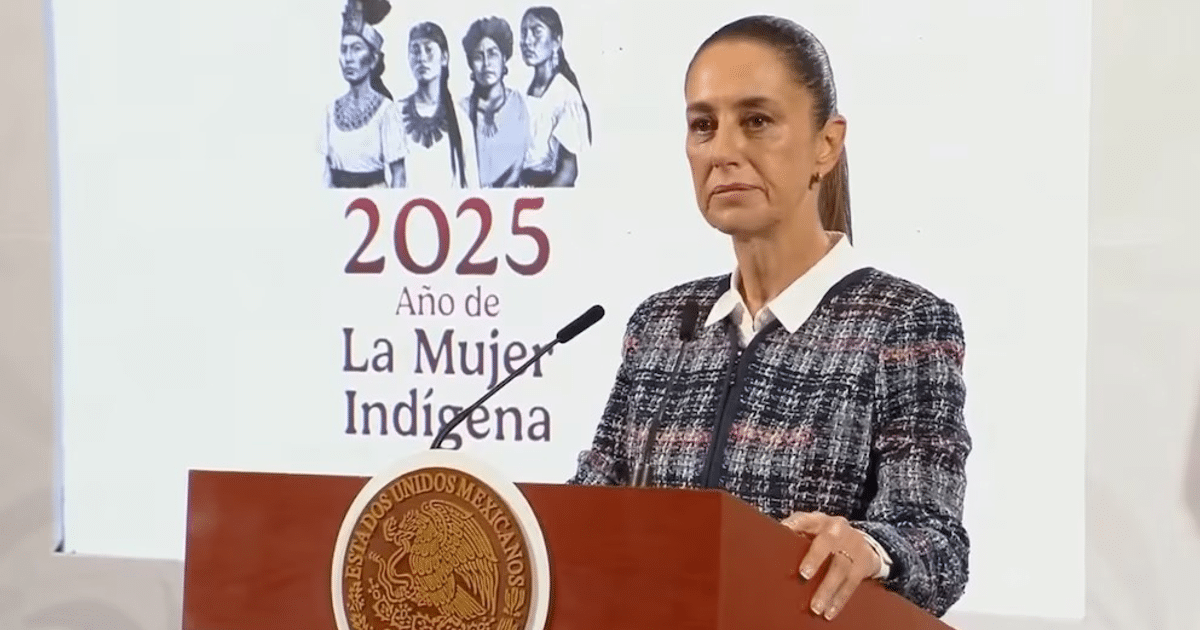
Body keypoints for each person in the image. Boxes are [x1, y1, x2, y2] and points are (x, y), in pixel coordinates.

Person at [568, 15, 970, 620]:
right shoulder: (659, 326)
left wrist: (869, 547)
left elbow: (937, 547)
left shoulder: (902, 324)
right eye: (704, 125)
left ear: (826, 144)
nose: (724, 150)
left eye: (756, 120)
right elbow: (585, 516)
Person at [320, 0, 406, 188]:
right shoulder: (330, 111)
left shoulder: (386, 111)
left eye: (356, 49)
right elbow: (325, 172)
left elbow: (399, 175)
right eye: (344, 50)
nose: (348, 58)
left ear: (373, 59)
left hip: (374, 205)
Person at [394, 22, 474, 188]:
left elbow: (472, 184)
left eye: (428, 50)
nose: (421, 58)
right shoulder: (395, 114)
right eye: (415, 50)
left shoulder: (460, 120)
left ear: (444, 57)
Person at [517, 6, 591, 187]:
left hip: (547, 193)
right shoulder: (522, 90)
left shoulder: (565, 95)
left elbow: (568, 171)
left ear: (556, 41)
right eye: (524, 33)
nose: (527, 41)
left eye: (536, 32)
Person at [461, 16, 530, 188]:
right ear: (471, 64)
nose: (486, 64)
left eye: (492, 54)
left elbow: (518, 163)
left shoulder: (518, 104)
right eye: (479, 56)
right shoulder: (460, 110)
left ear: (504, 58)